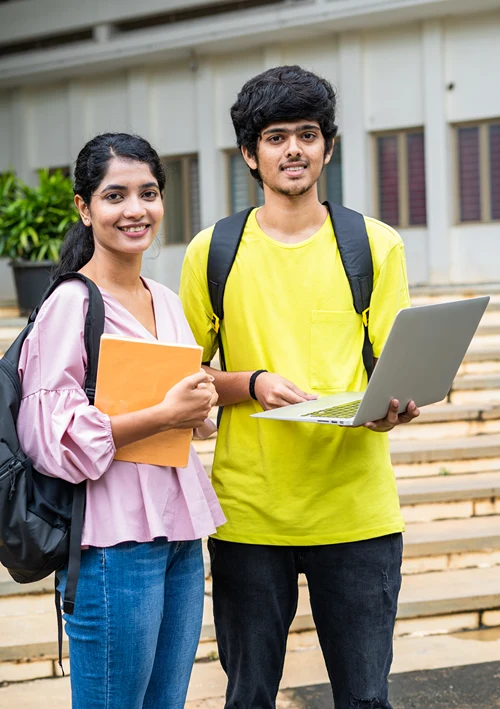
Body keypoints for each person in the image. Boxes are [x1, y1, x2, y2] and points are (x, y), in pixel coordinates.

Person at [179, 66, 420, 709]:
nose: (293, 149)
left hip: (358, 511)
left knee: (366, 700)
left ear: (328, 147)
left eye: (307, 134)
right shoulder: (214, 251)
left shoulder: (374, 244)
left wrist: (395, 405)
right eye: (276, 136)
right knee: (249, 696)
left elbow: (396, 369)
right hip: (252, 515)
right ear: (250, 155)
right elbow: (181, 379)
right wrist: (249, 382)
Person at [16, 132, 225, 709]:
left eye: (148, 193)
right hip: (111, 544)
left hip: (180, 533)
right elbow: (49, 439)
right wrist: (163, 413)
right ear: (85, 208)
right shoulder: (70, 304)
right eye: (115, 196)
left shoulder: (166, 298)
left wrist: (197, 404)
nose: (135, 210)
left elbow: (185, 415)